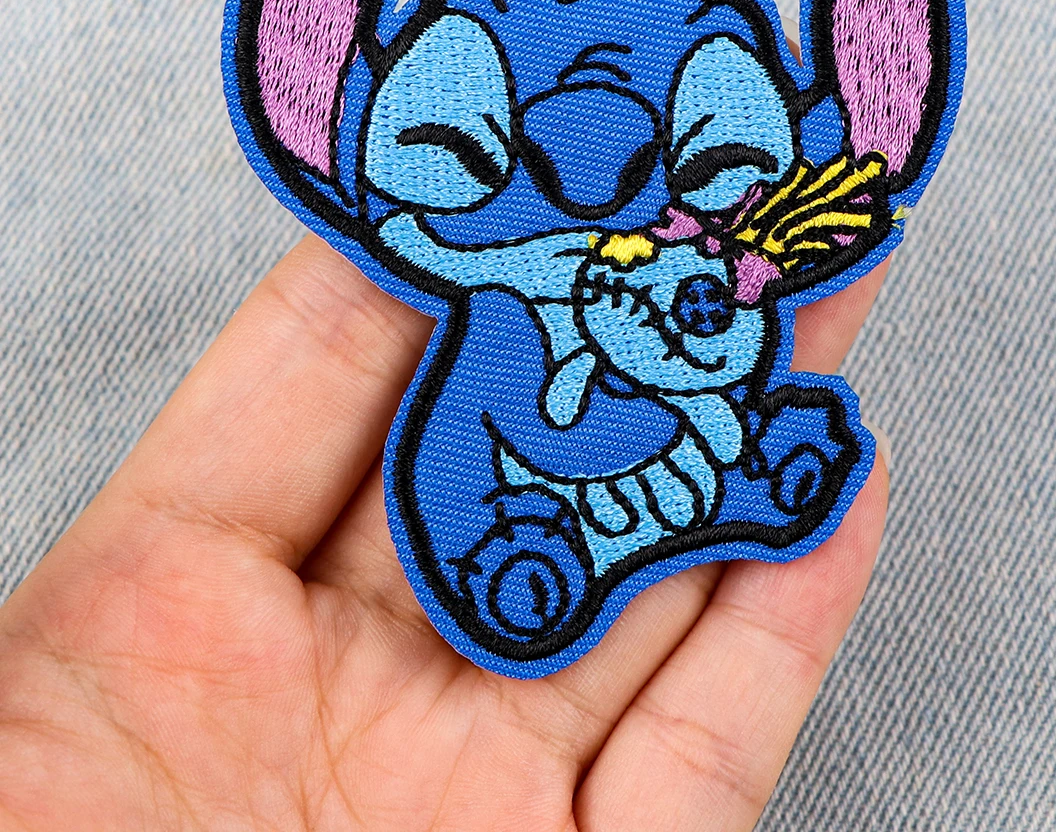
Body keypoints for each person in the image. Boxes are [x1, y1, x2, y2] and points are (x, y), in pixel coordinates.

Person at [0, 236, 889, 831]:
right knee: (505, 345)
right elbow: (553, 436)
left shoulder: (623, 365)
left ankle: (728, 497)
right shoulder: (513, 333)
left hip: (580, 513)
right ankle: (604, 537)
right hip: (508, 529)